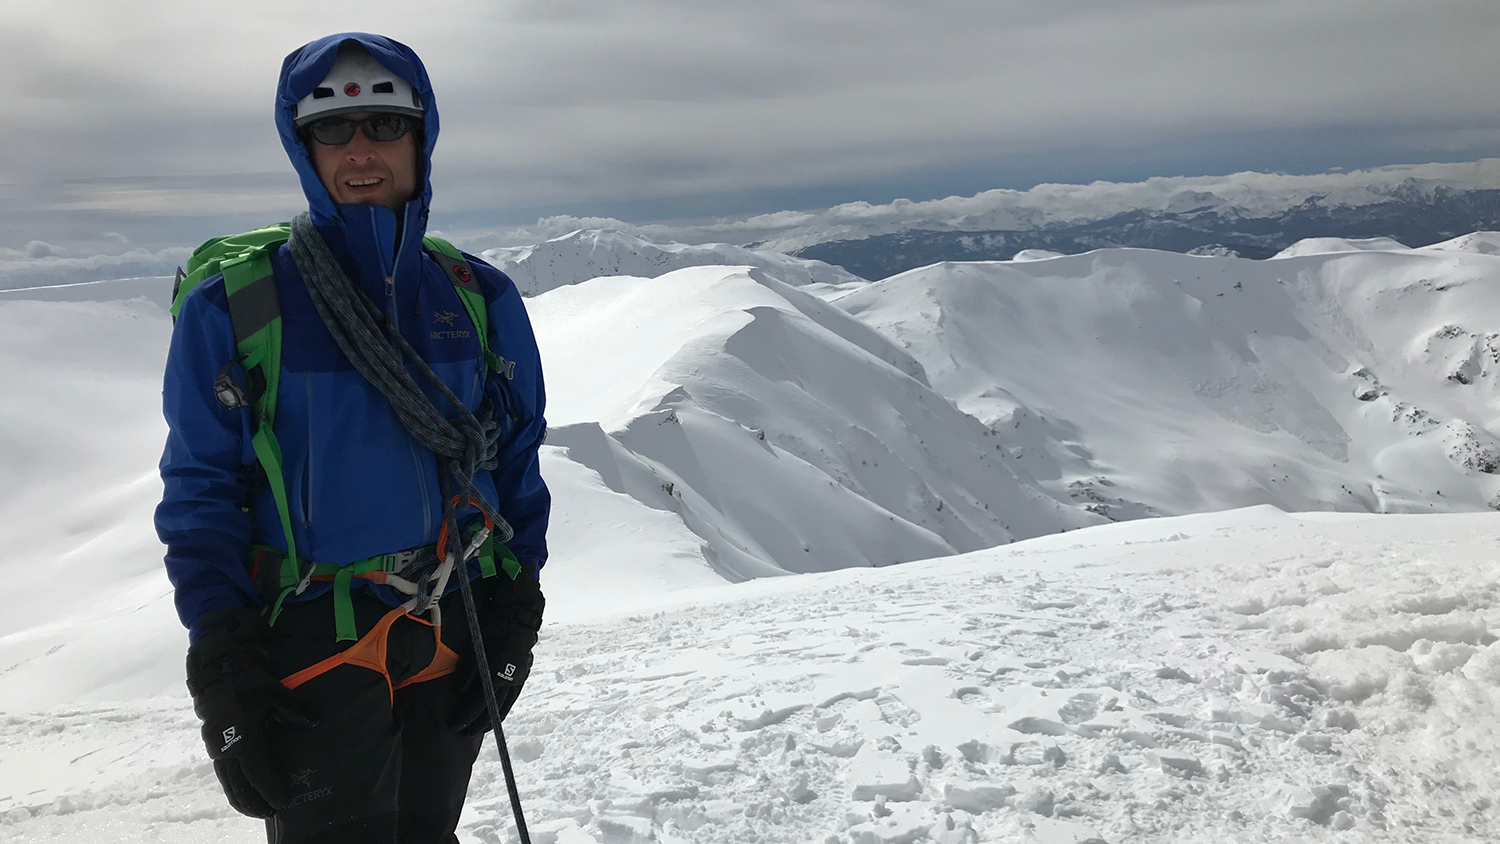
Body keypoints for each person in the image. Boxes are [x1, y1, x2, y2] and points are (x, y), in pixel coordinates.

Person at [156, 32, 549, 844]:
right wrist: (224, 667)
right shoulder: (241, 303)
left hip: (452, 618)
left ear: (420, 136)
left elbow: (514, 458)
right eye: (333, 130)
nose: (360, 149)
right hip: (307, 636)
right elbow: (202, 489)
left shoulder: (476, 295)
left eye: (384, 125)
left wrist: (519, 604)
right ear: (304, 148)